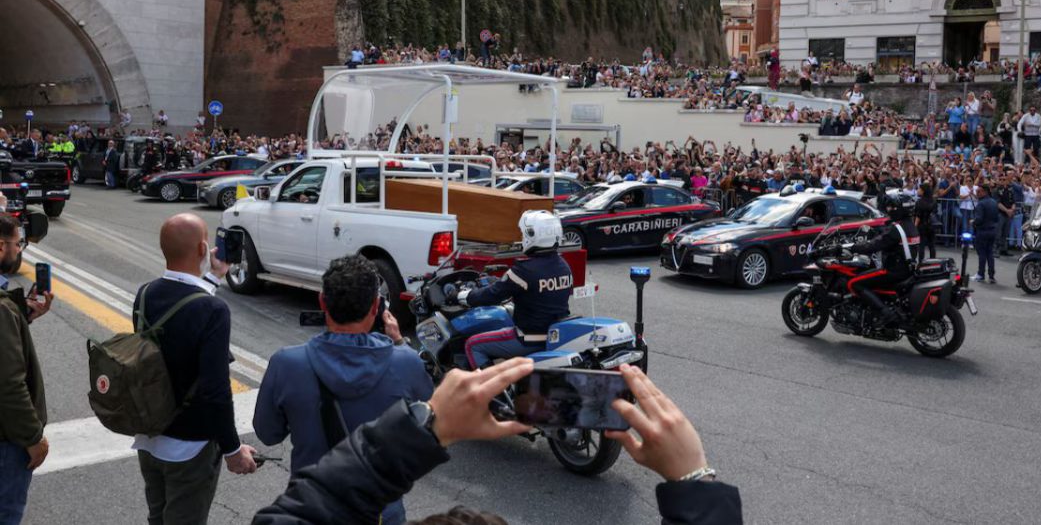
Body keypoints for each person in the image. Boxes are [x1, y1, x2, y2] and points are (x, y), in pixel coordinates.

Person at [253, 361, 742, 524]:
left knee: (478, 346)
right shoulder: (552, 267)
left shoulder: (523, 271)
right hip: (546, 334)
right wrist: (693, 480)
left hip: (516, 334)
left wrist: (430, 426)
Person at [254, 255, 433, 524]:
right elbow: (427, 427)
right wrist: (399, 341)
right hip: (381, 512)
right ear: (376, 307)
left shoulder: (286, 363)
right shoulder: (405, 363)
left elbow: (267, 433)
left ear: (322, 302)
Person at [133, 213, 258, 525]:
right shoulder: (213, 310)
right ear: (204, 248)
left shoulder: (145, 293)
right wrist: (231, 450)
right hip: (190, 447)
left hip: (149, 437)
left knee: (158, 518)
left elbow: (181, 315)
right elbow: (215, 390)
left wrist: (214, 278)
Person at [460, 211, 572, 369]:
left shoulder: (524, 270)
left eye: (524, 233)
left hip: (529, 338)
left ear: (532, 235)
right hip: (554, 335)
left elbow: (491, 295)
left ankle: (493, 391)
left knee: (472, 345)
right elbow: (538, 291)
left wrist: (465, 296)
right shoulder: (563, 265)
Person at [0, 213, 54, 525]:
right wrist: (33, 437)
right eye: (17, 243)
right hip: (7, 442)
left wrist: (26, 317)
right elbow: (8, 383)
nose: (19, 250)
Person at [847, 191, 920, 327]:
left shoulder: (896, 229)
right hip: (906, 269)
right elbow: (887, 238)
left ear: (900, 209)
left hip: (892, 271)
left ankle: (885, 313)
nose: (889, 209)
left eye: (892, 207)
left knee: (854, 283)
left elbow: (873, 246)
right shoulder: (910, 226)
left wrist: (853, 247)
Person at [973, 183, 1000, 283]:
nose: (977, 193)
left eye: (979, 191)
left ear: (984, 192)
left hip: (983, 230)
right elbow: (997, 218)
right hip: (992, 230)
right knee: (990, 253)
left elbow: (979, 219)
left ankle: (980, 274)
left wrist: (973, 222)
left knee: (982, 253)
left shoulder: (981, 204)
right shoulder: (994, 202)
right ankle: (991, 275)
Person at [914, 183, 938, 261]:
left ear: (923, 191)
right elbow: (935, 212)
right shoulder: (933, 201)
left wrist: (915, 227)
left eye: (919, 189)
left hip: (922, 225)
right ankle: (933, 262)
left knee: (921, 245)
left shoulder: (919, 202)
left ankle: (921, 262)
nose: (918, 190)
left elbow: (918, 216)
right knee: (932, 245)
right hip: (931, 225)